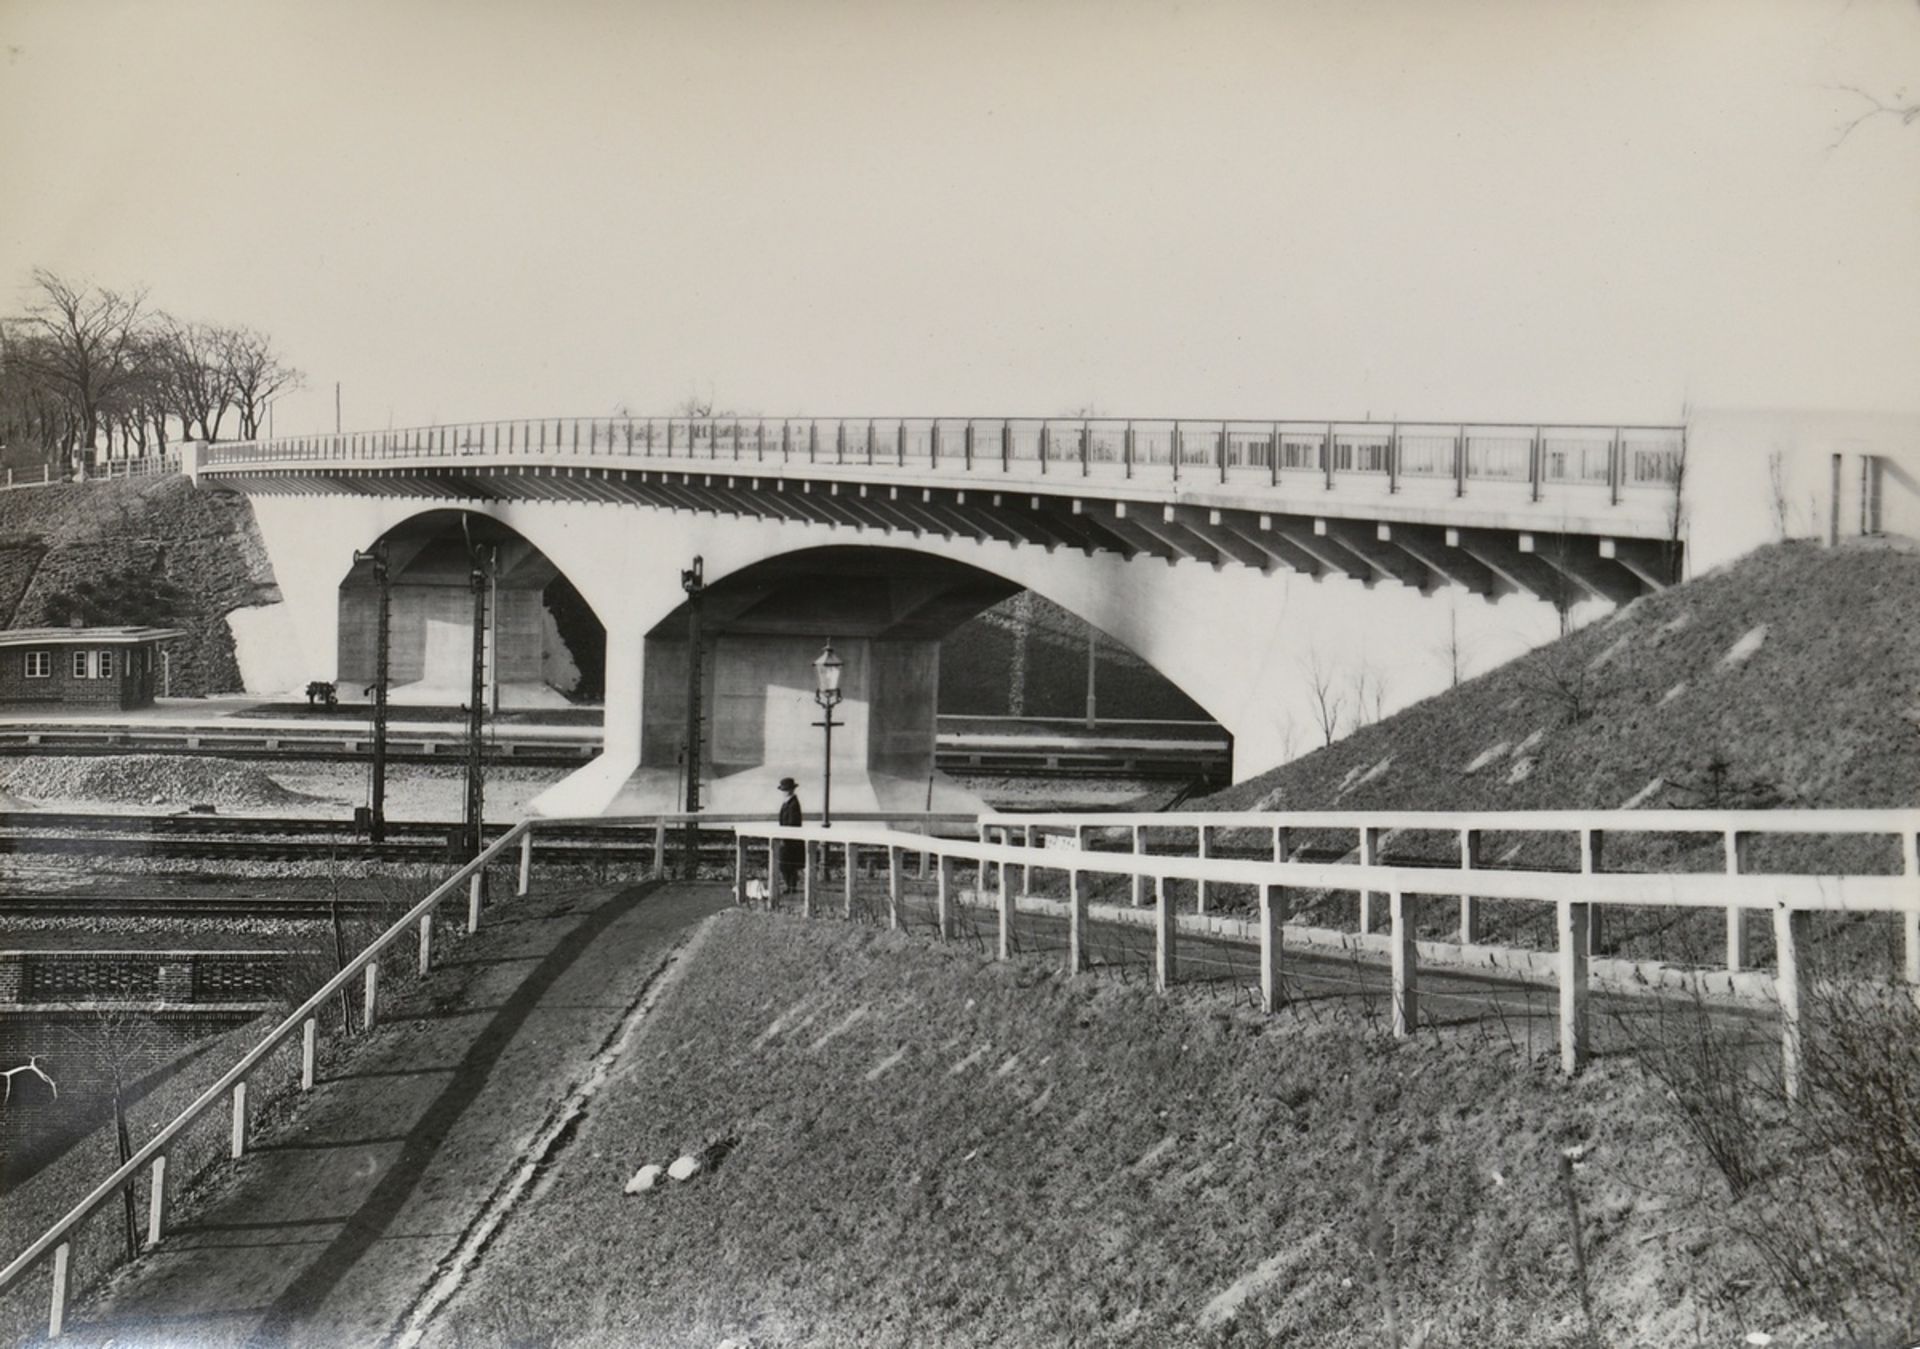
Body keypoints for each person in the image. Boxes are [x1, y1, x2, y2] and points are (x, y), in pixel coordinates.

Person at [776, 776, 804, 894]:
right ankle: (790, 887)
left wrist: (784, 836)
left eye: (785, 790)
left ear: (791, 790)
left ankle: (791, 887)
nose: (784, 792)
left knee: (787, 865)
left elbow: (792, 823)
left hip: (791, 840)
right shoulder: (788, 803)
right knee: (787, 865)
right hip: (788, 839)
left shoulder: (793, 804)